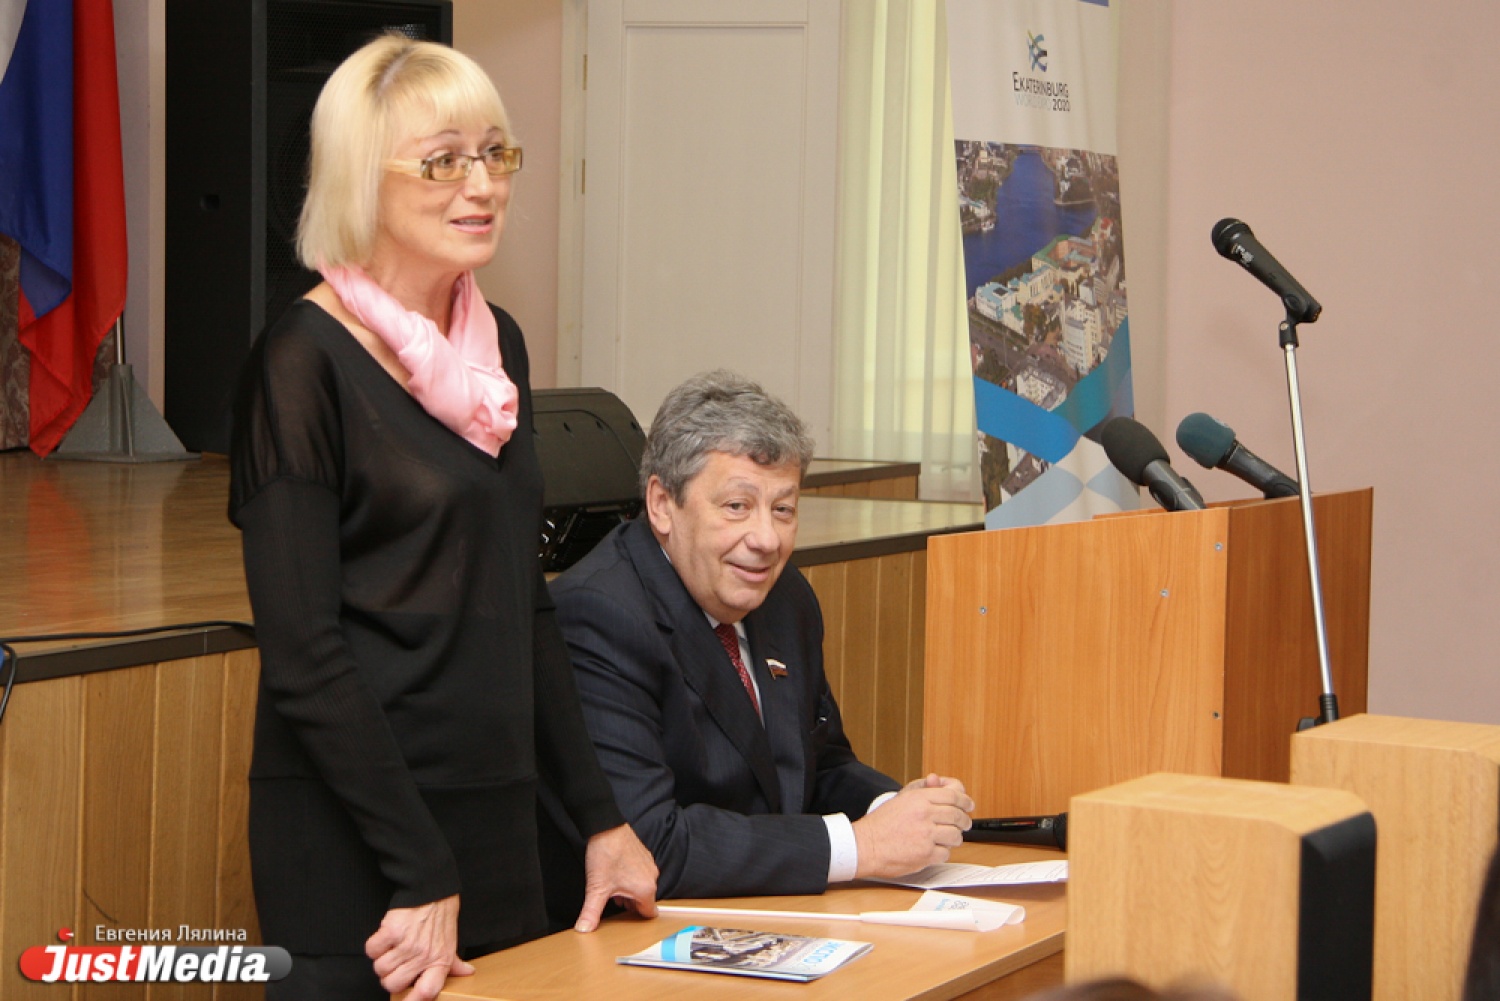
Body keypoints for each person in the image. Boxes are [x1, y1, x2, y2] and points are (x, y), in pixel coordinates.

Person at [228, 35, 656, 1000]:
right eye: (443, 161)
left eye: (495, 154)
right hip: (360, 834)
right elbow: (304, 653)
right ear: (359, 177)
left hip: (497, 817)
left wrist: (600, 817)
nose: (484, 185)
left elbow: (524, 602)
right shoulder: (300, 362)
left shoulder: (496, 346)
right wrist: (420, 869)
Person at [538, 370, 974, 920]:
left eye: (783, 509)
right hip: (629, 934)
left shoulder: (785, 596)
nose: (767, 539)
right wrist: (861, 845)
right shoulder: (600, 615)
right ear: (662, 504)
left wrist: (898, 808)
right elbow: (648, 843)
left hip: (766, 912)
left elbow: (817, 765)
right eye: (737, 507)